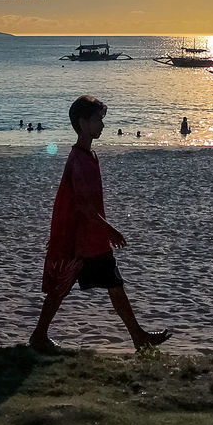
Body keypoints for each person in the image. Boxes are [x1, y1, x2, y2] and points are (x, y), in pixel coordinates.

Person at [29, 96, 170, 355]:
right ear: (82, 123)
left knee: (112, 284)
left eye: (102, 120)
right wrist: (110, 230)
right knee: (63, 289)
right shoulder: (79, 159)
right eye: (97, 120)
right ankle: (39, 336)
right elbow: (83, 206)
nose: (102, 125)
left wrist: (104, 231)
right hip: (82, 240)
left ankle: (138, 336)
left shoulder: (89, 155)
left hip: (92, 239)